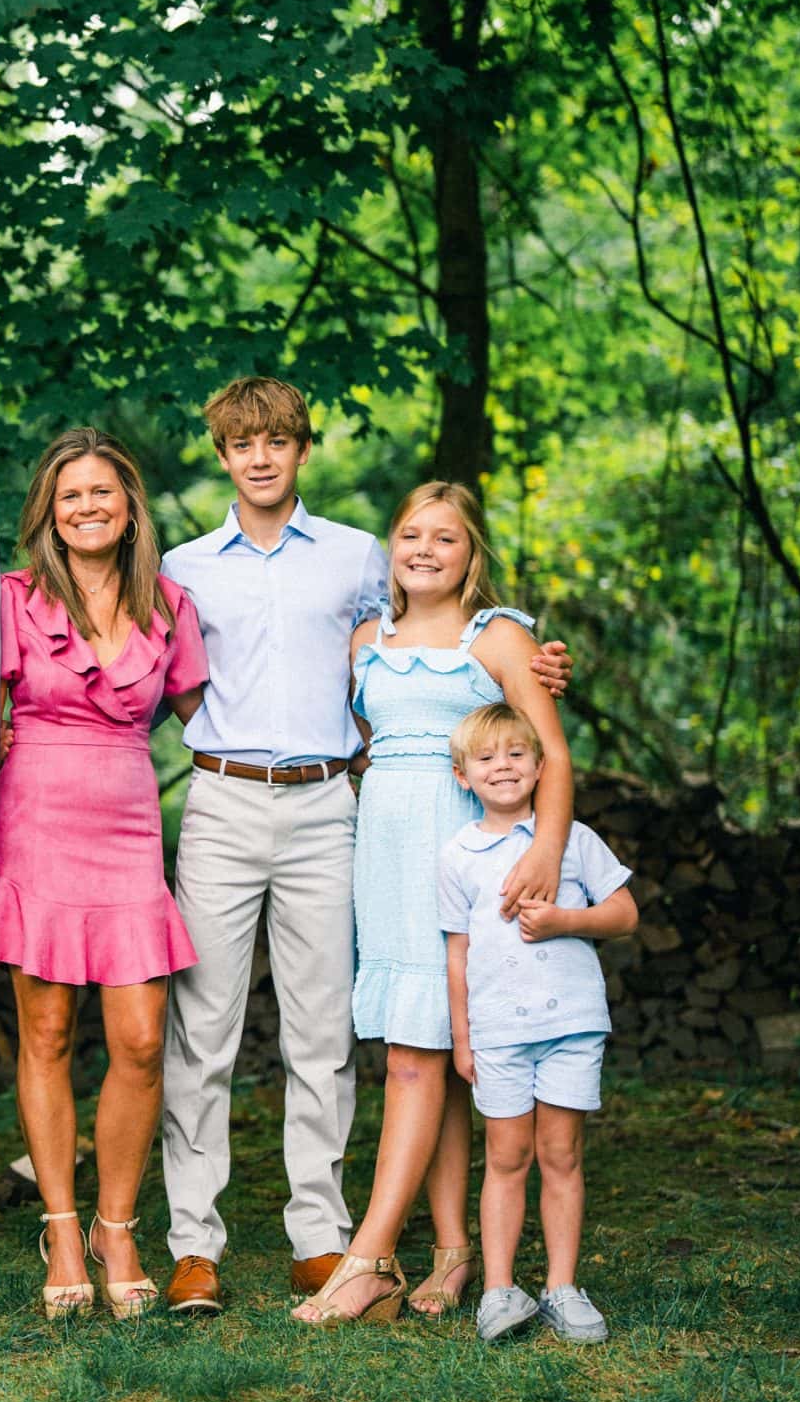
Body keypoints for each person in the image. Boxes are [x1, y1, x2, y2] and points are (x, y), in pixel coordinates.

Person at [158, 379, 571, 1317]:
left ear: (301, 450)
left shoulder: (358, 557)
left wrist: (541, 658)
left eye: (276, 441)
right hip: (222, 799)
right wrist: (215, 731)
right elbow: (170, 673)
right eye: (240, 444)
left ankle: (321, 1235)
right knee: (204, 1026)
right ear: (221, 455)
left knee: (324, 1032)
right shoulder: (182, 566)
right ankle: (194, 1244)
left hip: (330, 807)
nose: (259, 458)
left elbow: (442, 638)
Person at [294, 481, 572, 1325]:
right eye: (410, 534)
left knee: (417, 1055)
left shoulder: (499, 636)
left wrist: (546, 851)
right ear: (392, 545)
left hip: (464, 856)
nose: (424, 550)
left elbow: (549, 755)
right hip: (384, 854)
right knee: (429, 1048)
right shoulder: (363, 641)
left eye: (444, 539)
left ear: (469, 554)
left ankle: (367, 1257)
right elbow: (368, 749)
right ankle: (451, 1251)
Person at [0, 428, 207, 1320]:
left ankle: (118, 1225)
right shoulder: (12, 599)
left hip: (128, 825)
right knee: (48, 1033)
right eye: (70, 495)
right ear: (47, 513)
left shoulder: (170, 604)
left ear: (128, 505)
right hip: (34, 819)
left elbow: (220, 714)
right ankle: (63, 1229)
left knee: (140, 1038)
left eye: (103, 492)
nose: (88, 506)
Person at [439, 702, 637, 1344]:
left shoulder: (572, 840)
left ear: (541, 765)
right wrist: (463, 1037)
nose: (503, 767)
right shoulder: (459, 855)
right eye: (487, 757)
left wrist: (565, 921)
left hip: (571, 1028)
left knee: (561, 1154)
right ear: (463, 775)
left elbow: (625, 914)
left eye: (517, 754)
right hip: (497, 1033)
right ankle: (498, 1291)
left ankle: (560, 1287)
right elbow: (457, 953)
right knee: (506, 1157)